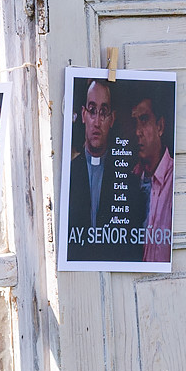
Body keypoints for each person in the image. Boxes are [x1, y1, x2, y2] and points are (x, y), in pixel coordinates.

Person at [67, 79, 120, 261]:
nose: (97, 122)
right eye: (92, 111)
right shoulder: (70, 173)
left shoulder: (125, 175)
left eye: (103, 113)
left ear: (112, 119)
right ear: (83, 115)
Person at [131, 87, 174, 263]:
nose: (137, 132)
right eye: (135, 123)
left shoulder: (174, 181)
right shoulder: (132, 178)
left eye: (144, 120)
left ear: (160, 126)